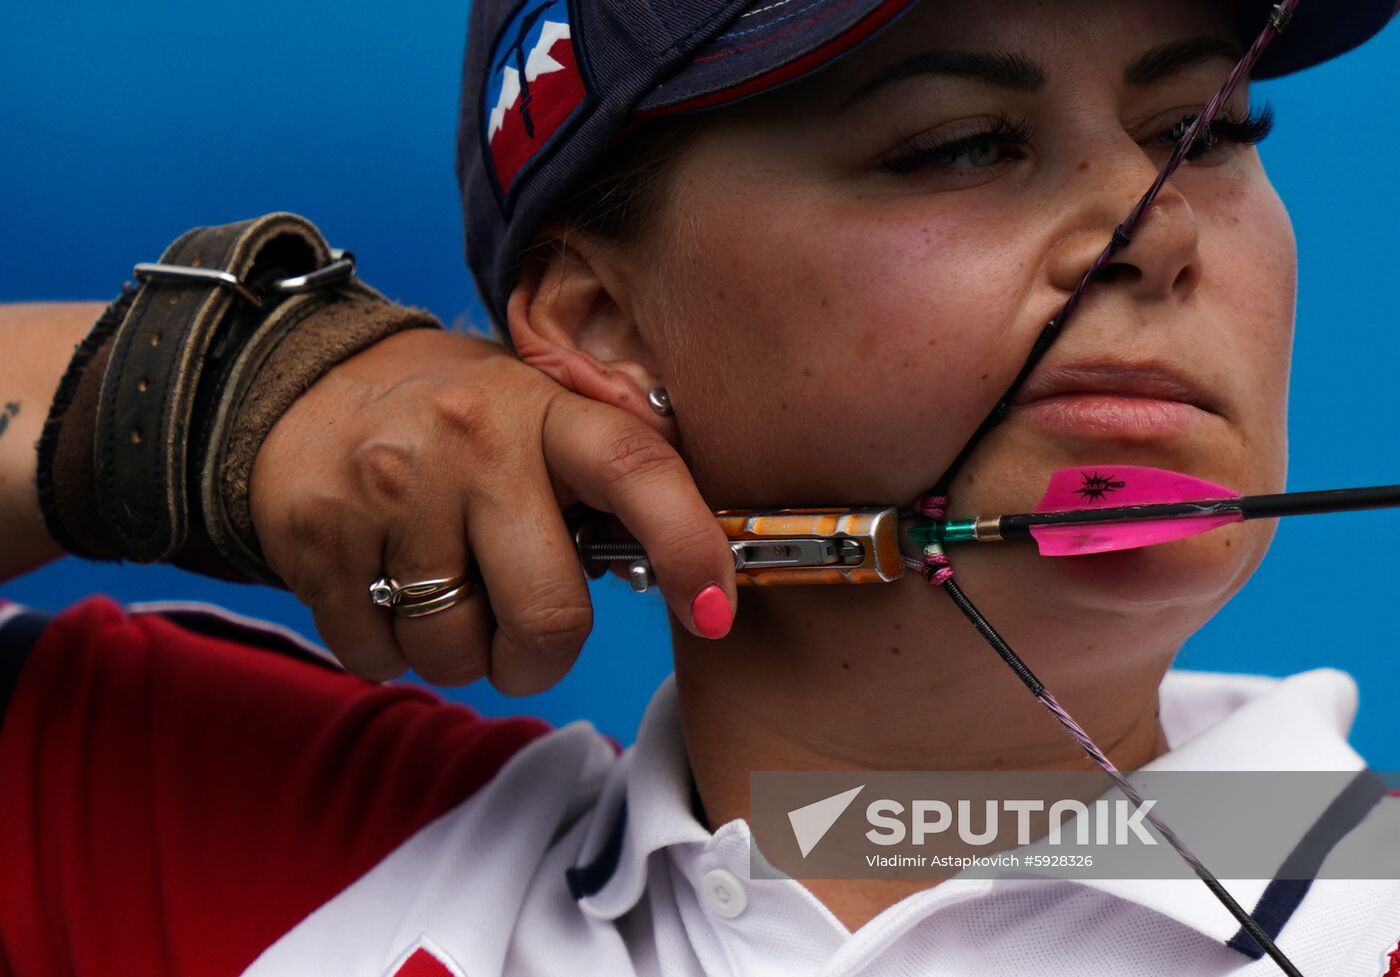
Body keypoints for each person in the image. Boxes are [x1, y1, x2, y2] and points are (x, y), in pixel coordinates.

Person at [1, 0, 1397, 975]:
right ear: (603, 325)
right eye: (961, 142)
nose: (1148, 238)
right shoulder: (270, 855)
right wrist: (188, 398)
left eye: (1204, 131)